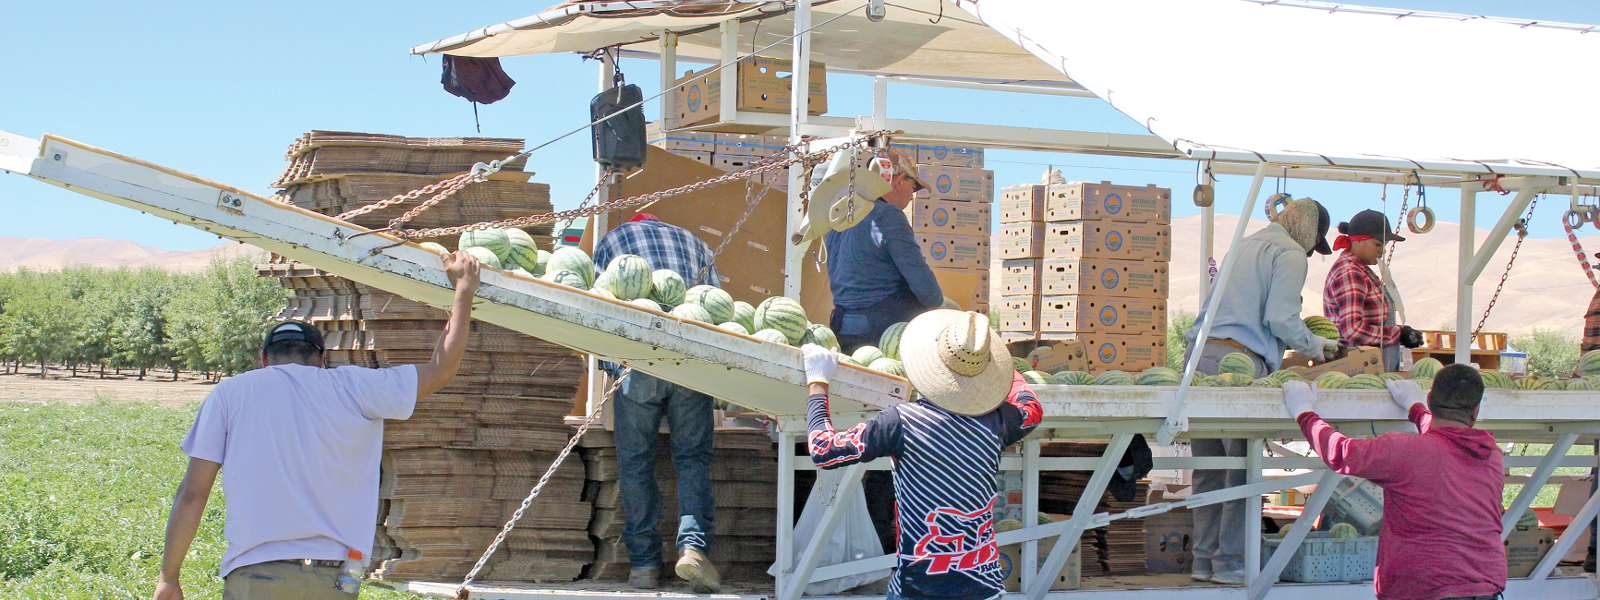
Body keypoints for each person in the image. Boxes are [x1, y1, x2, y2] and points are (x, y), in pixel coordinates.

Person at [153, 251, 480, 600]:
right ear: (321, 359)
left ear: (264, 360)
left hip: (257, 576)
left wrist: (169, 577)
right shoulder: (354, 387)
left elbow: (193, 493)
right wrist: (464, 288)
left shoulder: (231, 394)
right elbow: (441, 370)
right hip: (334, 580)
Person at [799, 310, 1041, 600]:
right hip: (986, 591)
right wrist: (1003, 372)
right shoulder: (998, 421)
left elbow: (823, 450)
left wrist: (818, 381)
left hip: (917, 591)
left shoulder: (899, 423)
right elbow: (1031, 407)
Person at [1182, 196, 1336, 585]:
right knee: (1241, 470)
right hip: (1239, 362)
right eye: (1313, 243)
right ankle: (1231, 563)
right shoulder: (1290, 254)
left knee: (1209, 470)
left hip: (1199, 360)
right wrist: (1316, 347)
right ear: (1308, 232)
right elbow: (1280, 317)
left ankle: (1202, 562)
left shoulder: (1246, 243)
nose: (1309, 251)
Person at [1282, 365, 1505, 600]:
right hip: (1485, 588)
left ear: (1431, 398)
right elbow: (1446, 437)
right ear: (1476, 411)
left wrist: (1304, 412)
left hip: (1424, 590)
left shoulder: (1403, 450)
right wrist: (1415, 409)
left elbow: (1341, 452)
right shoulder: (1491, 455)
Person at [592, 213, 723, 592]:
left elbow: (599, 306)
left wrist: (611, 369)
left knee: (636, 463)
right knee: (693, 459)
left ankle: (645, 565)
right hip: (689, 362)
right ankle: (693, 549)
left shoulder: (612, 241)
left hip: (640, 360)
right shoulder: (696, 242)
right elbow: (712, 308)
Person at [824, 148, 944, 352]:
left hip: (842, 331)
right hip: (882, 336)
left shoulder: (841, 218)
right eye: (913, 187)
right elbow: (930, 294)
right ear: (898, 181)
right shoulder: (889, 216)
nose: (912, 197)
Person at [1324, 209, 1424, 371]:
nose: (1382, 251)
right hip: (1359, 369)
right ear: (1357, 241)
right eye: (1378, 244)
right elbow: (1352, 330)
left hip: (1369, 368)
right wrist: (1397, 334)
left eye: (1384, 245)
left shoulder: (1360, 269)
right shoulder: (1351, 272)